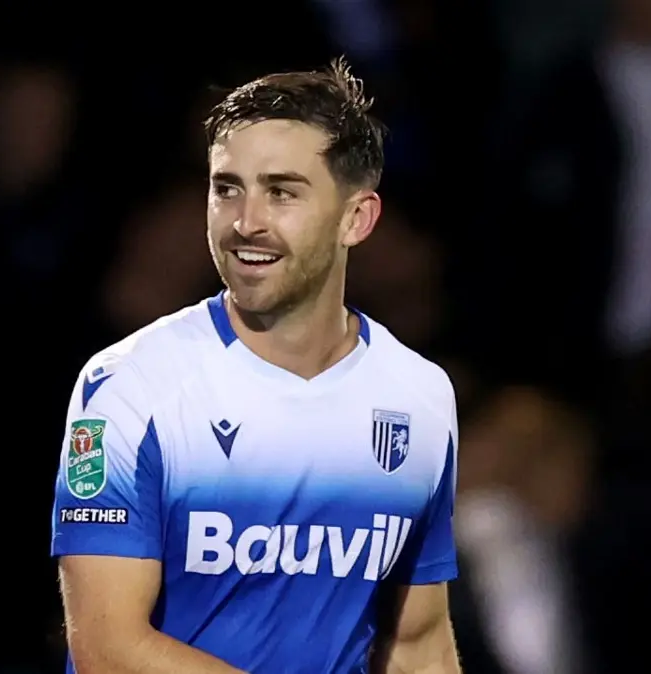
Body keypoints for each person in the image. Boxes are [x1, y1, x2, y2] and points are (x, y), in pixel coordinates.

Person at [50, 58, 461, 673]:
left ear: (357, 218)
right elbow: (108, 651)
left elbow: (415, 648)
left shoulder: (419, 397)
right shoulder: (130, 385)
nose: (246, 223)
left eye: (282, 192)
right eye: (227, 188)